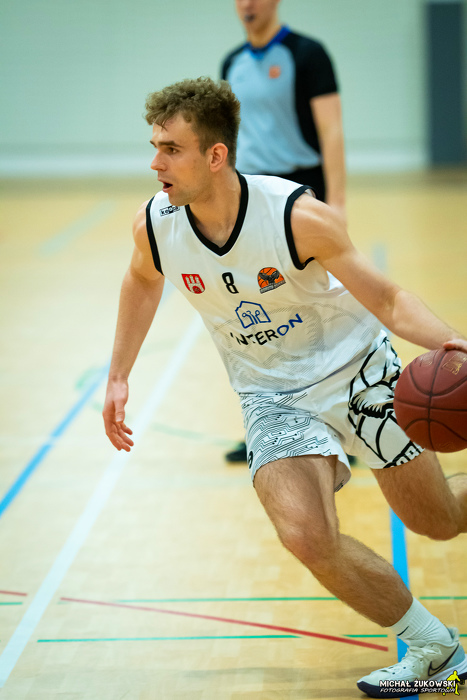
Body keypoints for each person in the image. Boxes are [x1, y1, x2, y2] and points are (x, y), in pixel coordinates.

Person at [102, 77, 467, 697]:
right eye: (154, 147)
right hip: (271, 395)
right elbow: (142, 280)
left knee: (439, 521)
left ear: (215, 155)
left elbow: (387, 299)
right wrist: (118, 374)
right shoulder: (157, 226)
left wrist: (454, 342)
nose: (155, 163)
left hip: (358, 372)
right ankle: (436, 647)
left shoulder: (296, 216)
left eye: (171, 149)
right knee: (304, 533)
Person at [221, 0, 346, 462]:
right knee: (257, 317)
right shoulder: (232, 63)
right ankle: (265, 427)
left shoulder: (307, 54)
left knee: (315, 314)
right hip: (248, 197)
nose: (247, 5)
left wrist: (337, 204)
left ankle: (338, 426)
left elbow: (331, 131)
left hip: (299, 194)